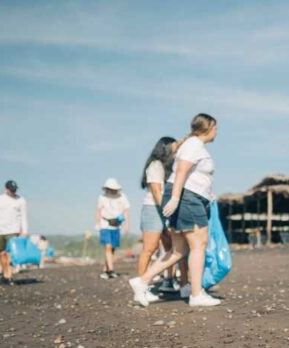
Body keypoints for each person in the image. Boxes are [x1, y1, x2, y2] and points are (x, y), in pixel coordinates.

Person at [129, 113, 222, 307]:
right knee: (199, 245)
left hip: (189, 196)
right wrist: (176, 198)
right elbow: (181, 171)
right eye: (215, 127)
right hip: (188, 198)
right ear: (207, 128)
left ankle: (142, 281)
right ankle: (196, 294)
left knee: (179, 250)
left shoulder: (193, 144)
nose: (217, 131)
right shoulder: (194, 145)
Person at [137, 136, 188, 292]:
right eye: (174, 148)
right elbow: (156, 192)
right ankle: (141, 287)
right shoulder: (155, 165)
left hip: (165, 209)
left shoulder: (169, 166)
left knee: (172, 248)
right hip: (153, 209)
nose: (176, 151)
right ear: (165, 148)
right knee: (149, 249)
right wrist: (168, 213)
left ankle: (171, 281)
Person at [0, 181, 28, 285]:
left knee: (10, 254)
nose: (13, 191)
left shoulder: (21, 200)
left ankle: (9, 276)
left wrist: (24, 231)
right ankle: (5, 274)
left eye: (14, 189)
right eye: (11, 189)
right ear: (6, 189)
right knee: (0, 253)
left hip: (13, 230)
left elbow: (24, 216)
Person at [95, 178, 131, 280]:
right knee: (108, 246)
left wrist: (127, 224)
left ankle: (106, 268)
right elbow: (99, 211)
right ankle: (111, 270)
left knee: (113, 248)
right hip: (105, 224)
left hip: (116, 224)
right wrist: (97, 223)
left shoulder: (122, 197)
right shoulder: (102, 197)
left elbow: (126, 211)